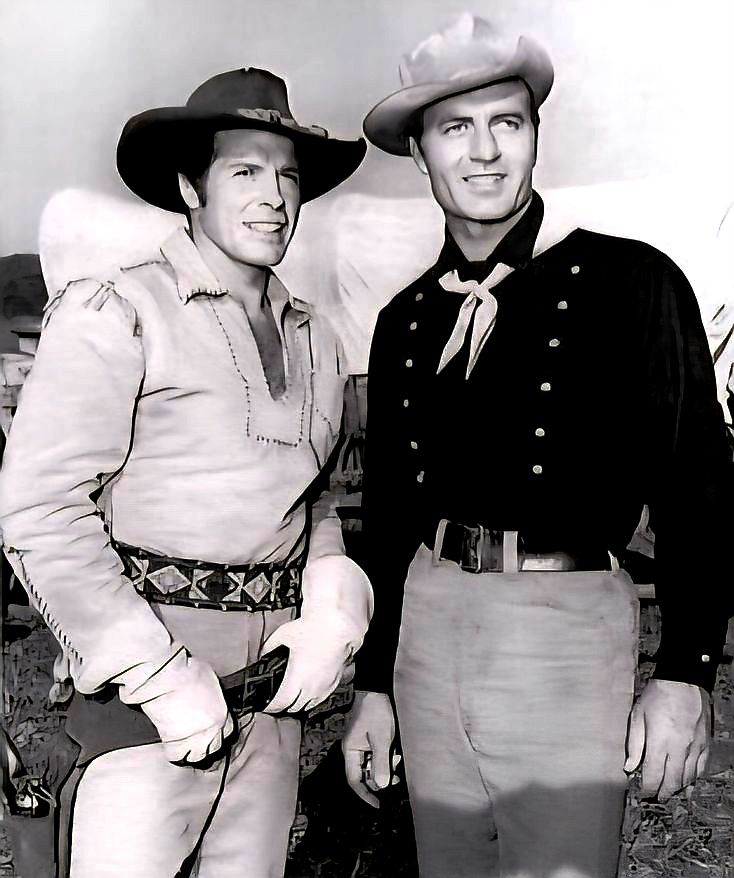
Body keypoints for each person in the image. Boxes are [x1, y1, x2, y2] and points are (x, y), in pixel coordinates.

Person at [342, 14, 734, 878]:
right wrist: (374, 685)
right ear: (421, 153)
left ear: (534, 137)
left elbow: (698, 486)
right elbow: (391, 518)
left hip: (563, 633)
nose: (484, 152)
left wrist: (685, 674)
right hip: (429, 628)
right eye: (455, 128)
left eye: (506, 123)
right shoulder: (406, 318)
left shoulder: (632, 281)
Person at [0, 66, 372, 877]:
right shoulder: (118, 310)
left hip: (275, 698)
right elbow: (40, 512)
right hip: (146, 697)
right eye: (244, 171)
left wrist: (334, 611)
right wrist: (155, 673)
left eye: (288, 176)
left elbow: (316, 506)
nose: (273, 197)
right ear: (187, 186)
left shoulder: (319, 338)